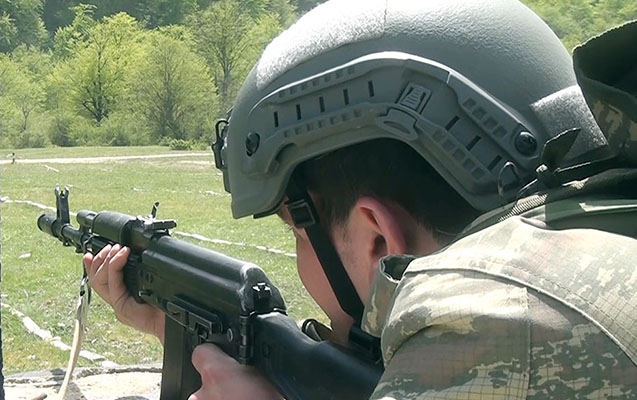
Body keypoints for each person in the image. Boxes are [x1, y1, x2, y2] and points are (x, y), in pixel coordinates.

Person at [85, 0, 637, 399]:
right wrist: (176, 329)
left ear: (377, 238)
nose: (299, 257)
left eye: (295, 230)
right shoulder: (601, 231)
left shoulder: (500, 324)